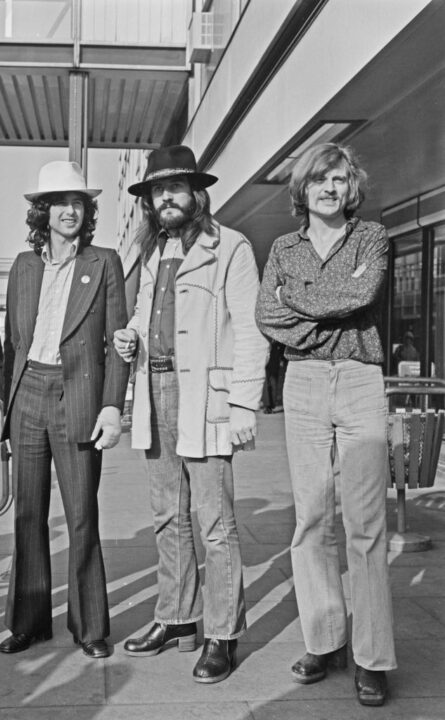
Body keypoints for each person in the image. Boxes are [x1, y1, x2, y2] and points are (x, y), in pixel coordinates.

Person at [113, 145, 267, 683]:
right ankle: (176, 617)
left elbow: (250, 329)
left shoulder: (231, 248)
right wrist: (131, 335)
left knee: (216, 524)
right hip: (156, 390)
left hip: (206, 396)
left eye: (175, 188)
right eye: (157, 190)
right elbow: (143, 311)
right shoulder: (155, 251)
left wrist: (245, 401)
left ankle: (222, 633)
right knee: (166, 517)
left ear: (197, 192)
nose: (165, 198)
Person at [255, 142, 397, 707]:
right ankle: (325, 638)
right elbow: (268, 315)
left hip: (360, 380)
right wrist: (319, 311)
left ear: (351, 186)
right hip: (306, 381)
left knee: (366, 524)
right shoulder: (284, 248)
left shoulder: (373, 238)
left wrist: (299, 302)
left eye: (339, 179)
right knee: (312, 518)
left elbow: (363, 292)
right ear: (303, 189)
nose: (330, 189)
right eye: (320, 180)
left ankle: (372, 657)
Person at [0, 161, 129, 660]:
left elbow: (116, 342)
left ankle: (90, 627)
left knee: (81, 516)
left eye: (77, 202)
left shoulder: (104, 262)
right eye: (59, 202)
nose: (69, 210)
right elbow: (12, 345)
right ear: (42, 212)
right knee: (29, 514)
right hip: (28, 392)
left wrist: (112, 406)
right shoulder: (23, 266)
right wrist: (5, 413)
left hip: (78, 396)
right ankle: (28, 622)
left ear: (87, 210)